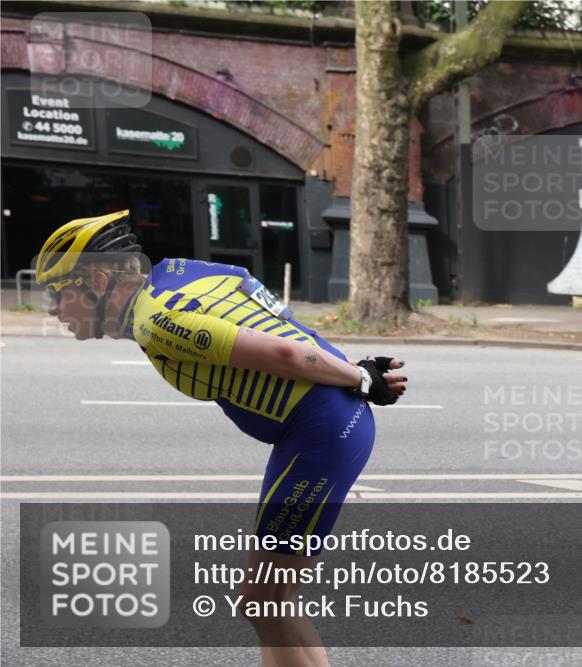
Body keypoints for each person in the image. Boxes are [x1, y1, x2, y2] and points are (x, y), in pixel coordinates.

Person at [36, 210, 407, 667]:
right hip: (321, 426)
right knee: (269, 602)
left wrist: (362, 378)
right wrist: (356, 370)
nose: (53, 309)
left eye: (57, 293)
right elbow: (279, 319)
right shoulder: (180, 272)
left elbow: (286, 350)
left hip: (320, 433)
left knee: (263, 600)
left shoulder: (157, 321)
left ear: (95, 281)